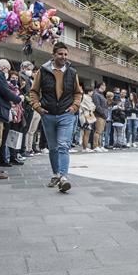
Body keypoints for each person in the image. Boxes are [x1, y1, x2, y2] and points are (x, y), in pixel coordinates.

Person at [29, 41, 83, 192]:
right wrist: (37, 107)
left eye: (66, 54)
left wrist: (75, 107)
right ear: (53, 55)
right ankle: (55, 174)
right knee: (53, 147)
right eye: (60, 54)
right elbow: (33, 91)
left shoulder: (72, 72)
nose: (63, 57)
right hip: (48, 114)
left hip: (66, 114)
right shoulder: (43, 71)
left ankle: (64, 177)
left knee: (63, 146)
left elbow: (78, 92)